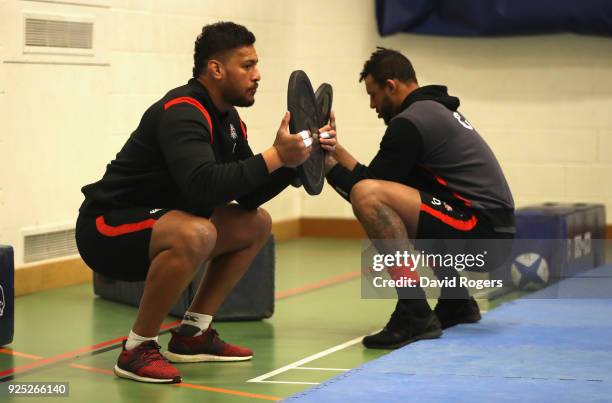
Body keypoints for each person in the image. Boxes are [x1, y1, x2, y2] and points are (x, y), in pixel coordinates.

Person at [75, 21, 336, 383]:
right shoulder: (183, 110)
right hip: (107, 227)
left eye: (256, 65)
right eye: (247, 66)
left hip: (164, 225)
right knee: (197, 232)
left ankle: (192, 334)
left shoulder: (230, 121)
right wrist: (277, 154)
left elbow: (249, 195)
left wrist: (298, 160)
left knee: (255, 223)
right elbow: (202, 188)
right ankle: (137, 349)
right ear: (216, 69)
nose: (257, 75)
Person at [324, 47, 515, 349]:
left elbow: (367, 190)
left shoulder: (409, 123)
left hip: (483, 235)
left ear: (392, 85)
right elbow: (375, 177)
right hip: (492, 232)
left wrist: (327, 168)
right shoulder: (430, 111)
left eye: (373, 95)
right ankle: (456, 301)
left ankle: (413, 310)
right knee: (397, 198)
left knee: (369, 197)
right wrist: (334, 150)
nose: (373, 105)